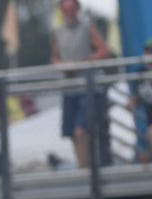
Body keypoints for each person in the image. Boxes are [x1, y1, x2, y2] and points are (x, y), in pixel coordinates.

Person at [51, 0, 113, 169]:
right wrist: (62, 66)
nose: (69, 13)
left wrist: (82, 63)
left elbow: (104, 51)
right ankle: (85, 167)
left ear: (78, 9)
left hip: (88, 87)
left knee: (82, 130)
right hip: (69, 88)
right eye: (66, 9)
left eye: (72, 9)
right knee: (72, 132)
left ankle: (86, 172)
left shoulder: (87, 27)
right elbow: (55, 57)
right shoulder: (57, 31)